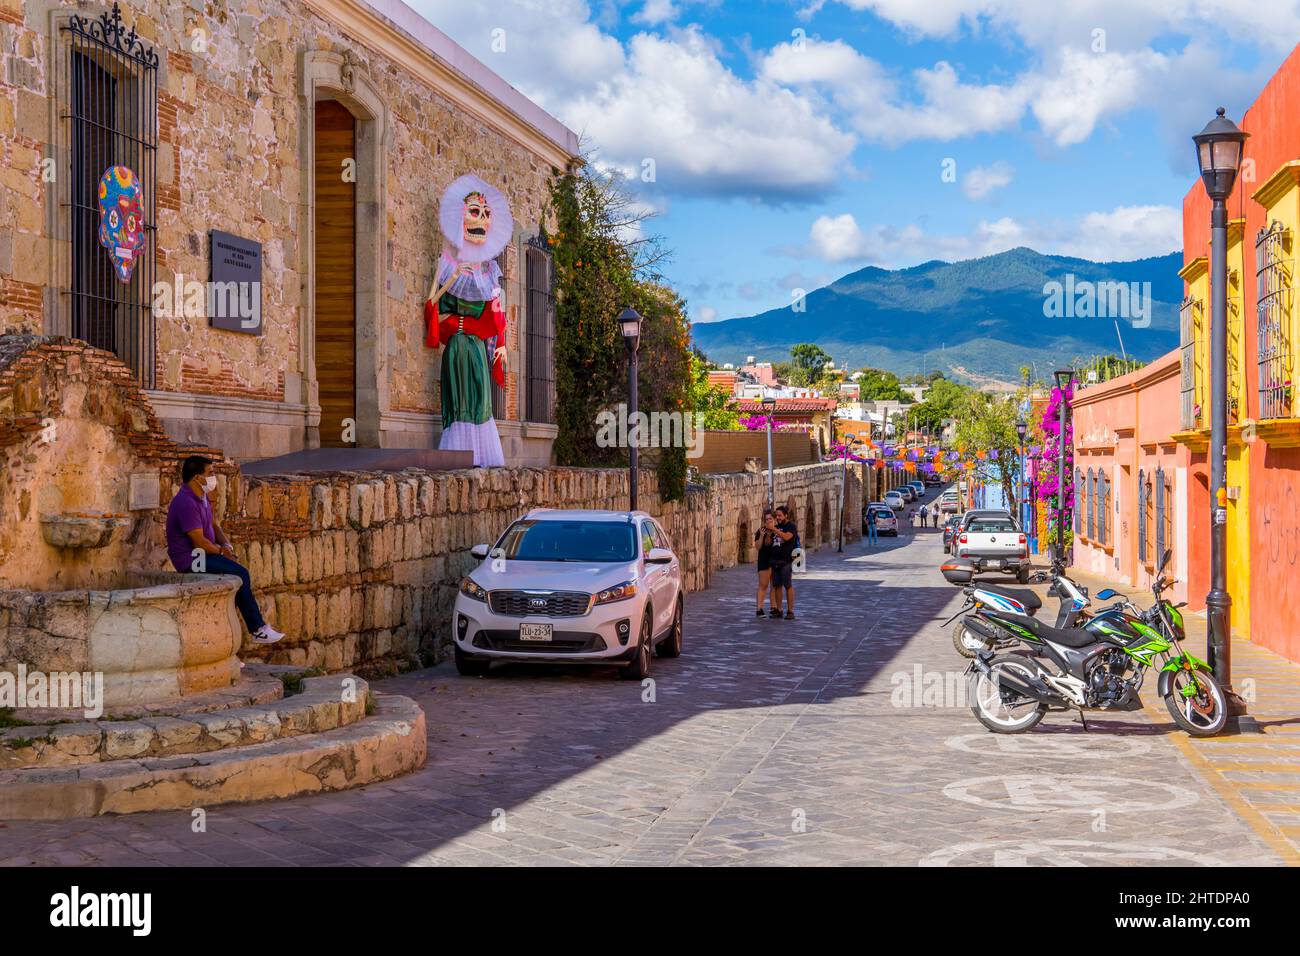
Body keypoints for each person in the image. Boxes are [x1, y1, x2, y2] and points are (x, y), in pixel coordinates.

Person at [166, 456, 284, 645]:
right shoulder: (186, 503)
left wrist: (226, 544)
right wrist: (221, 552)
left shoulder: (202, 498)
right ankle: (257, 629)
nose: (213, 477)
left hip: (204, 554)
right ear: (197, 477)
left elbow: (214, 525)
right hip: (191, 559)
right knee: (240, 573)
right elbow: (198, 542)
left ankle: (236, 640)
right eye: (210, 473)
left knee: (236, 578)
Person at [767, 505, 798, 620]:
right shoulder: (776, 526)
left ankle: (790, 611)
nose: (778, 518)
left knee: (788, 585)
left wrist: (774, 529)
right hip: (775, 560)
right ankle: (779, 610)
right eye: (777, 516)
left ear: (786, 515)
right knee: (777, 586)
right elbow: (770, 542)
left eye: (780, 515)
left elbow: (787, 537)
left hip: (786, 560)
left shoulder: (791, 526)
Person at [754, 508, 775, 618]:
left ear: (774, 519)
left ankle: (773, 607)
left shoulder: (778, 531)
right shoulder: (761, 531)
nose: (768, 521)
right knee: (763, 585)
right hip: (764, 561)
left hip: (776, 561)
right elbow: (758, 547)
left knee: (774, 585)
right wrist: (762, 536)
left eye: (770, 519)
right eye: (766, 519)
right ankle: (759, 609)